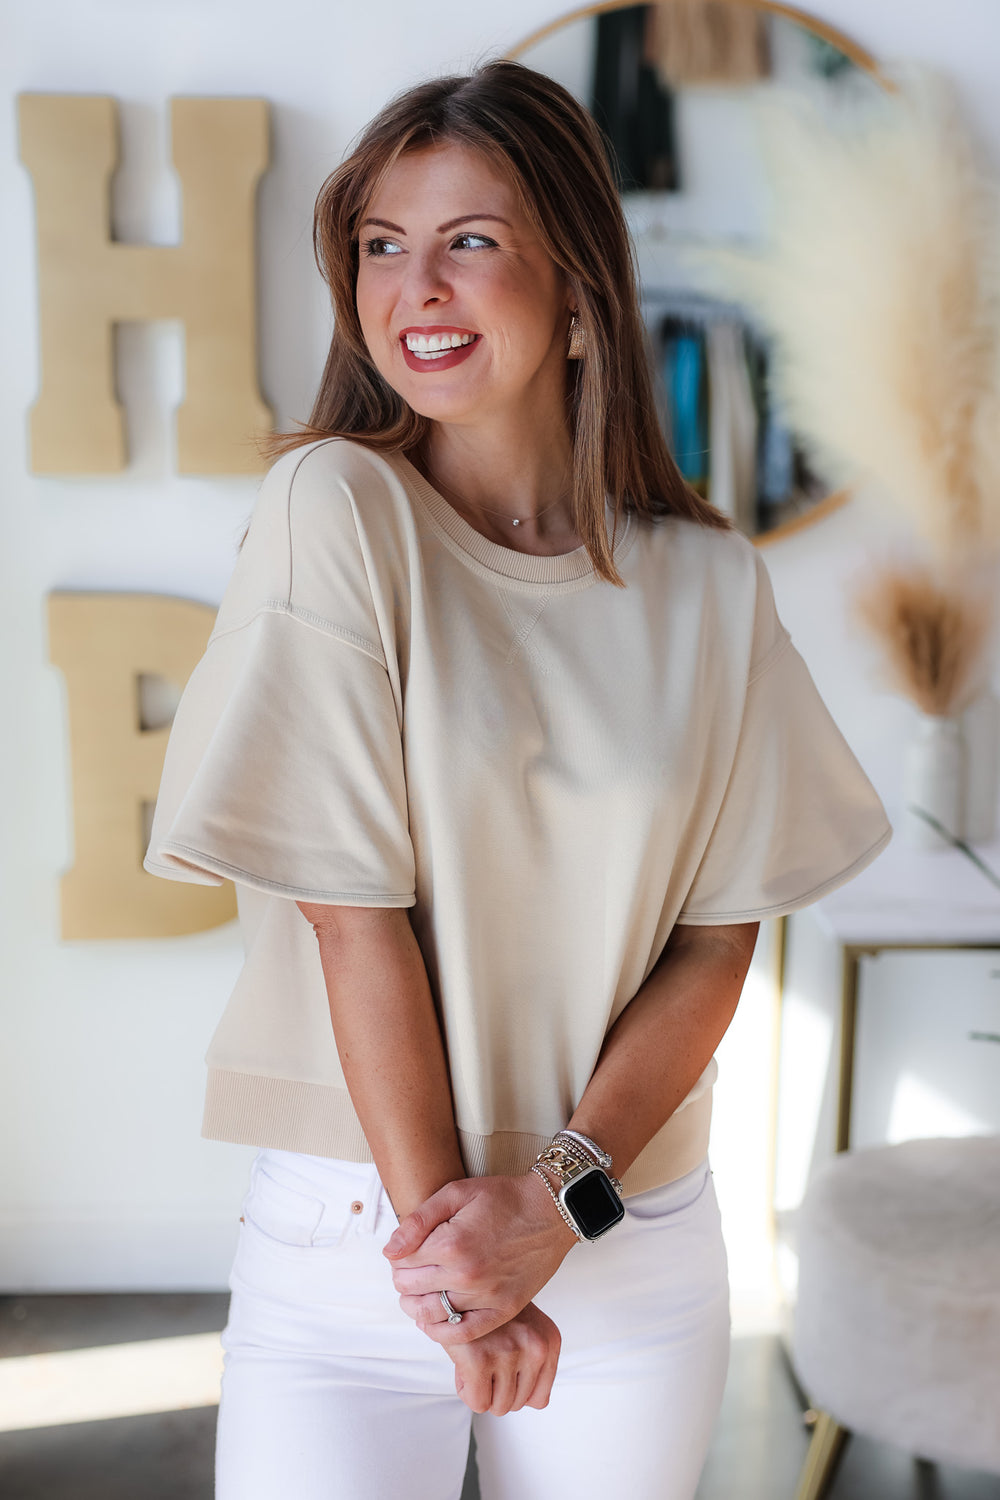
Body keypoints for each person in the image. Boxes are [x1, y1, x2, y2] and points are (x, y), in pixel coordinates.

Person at [144, 59, 891, 1500]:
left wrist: (549, 1209)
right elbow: (350, 919)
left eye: (470, 241)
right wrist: (456, 1268)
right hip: (366, 1235)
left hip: (622, 1231)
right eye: (381, 245)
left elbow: (716, 944)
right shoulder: (337, 510)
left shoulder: (710, 587)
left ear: (579, 292)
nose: (415, 287)